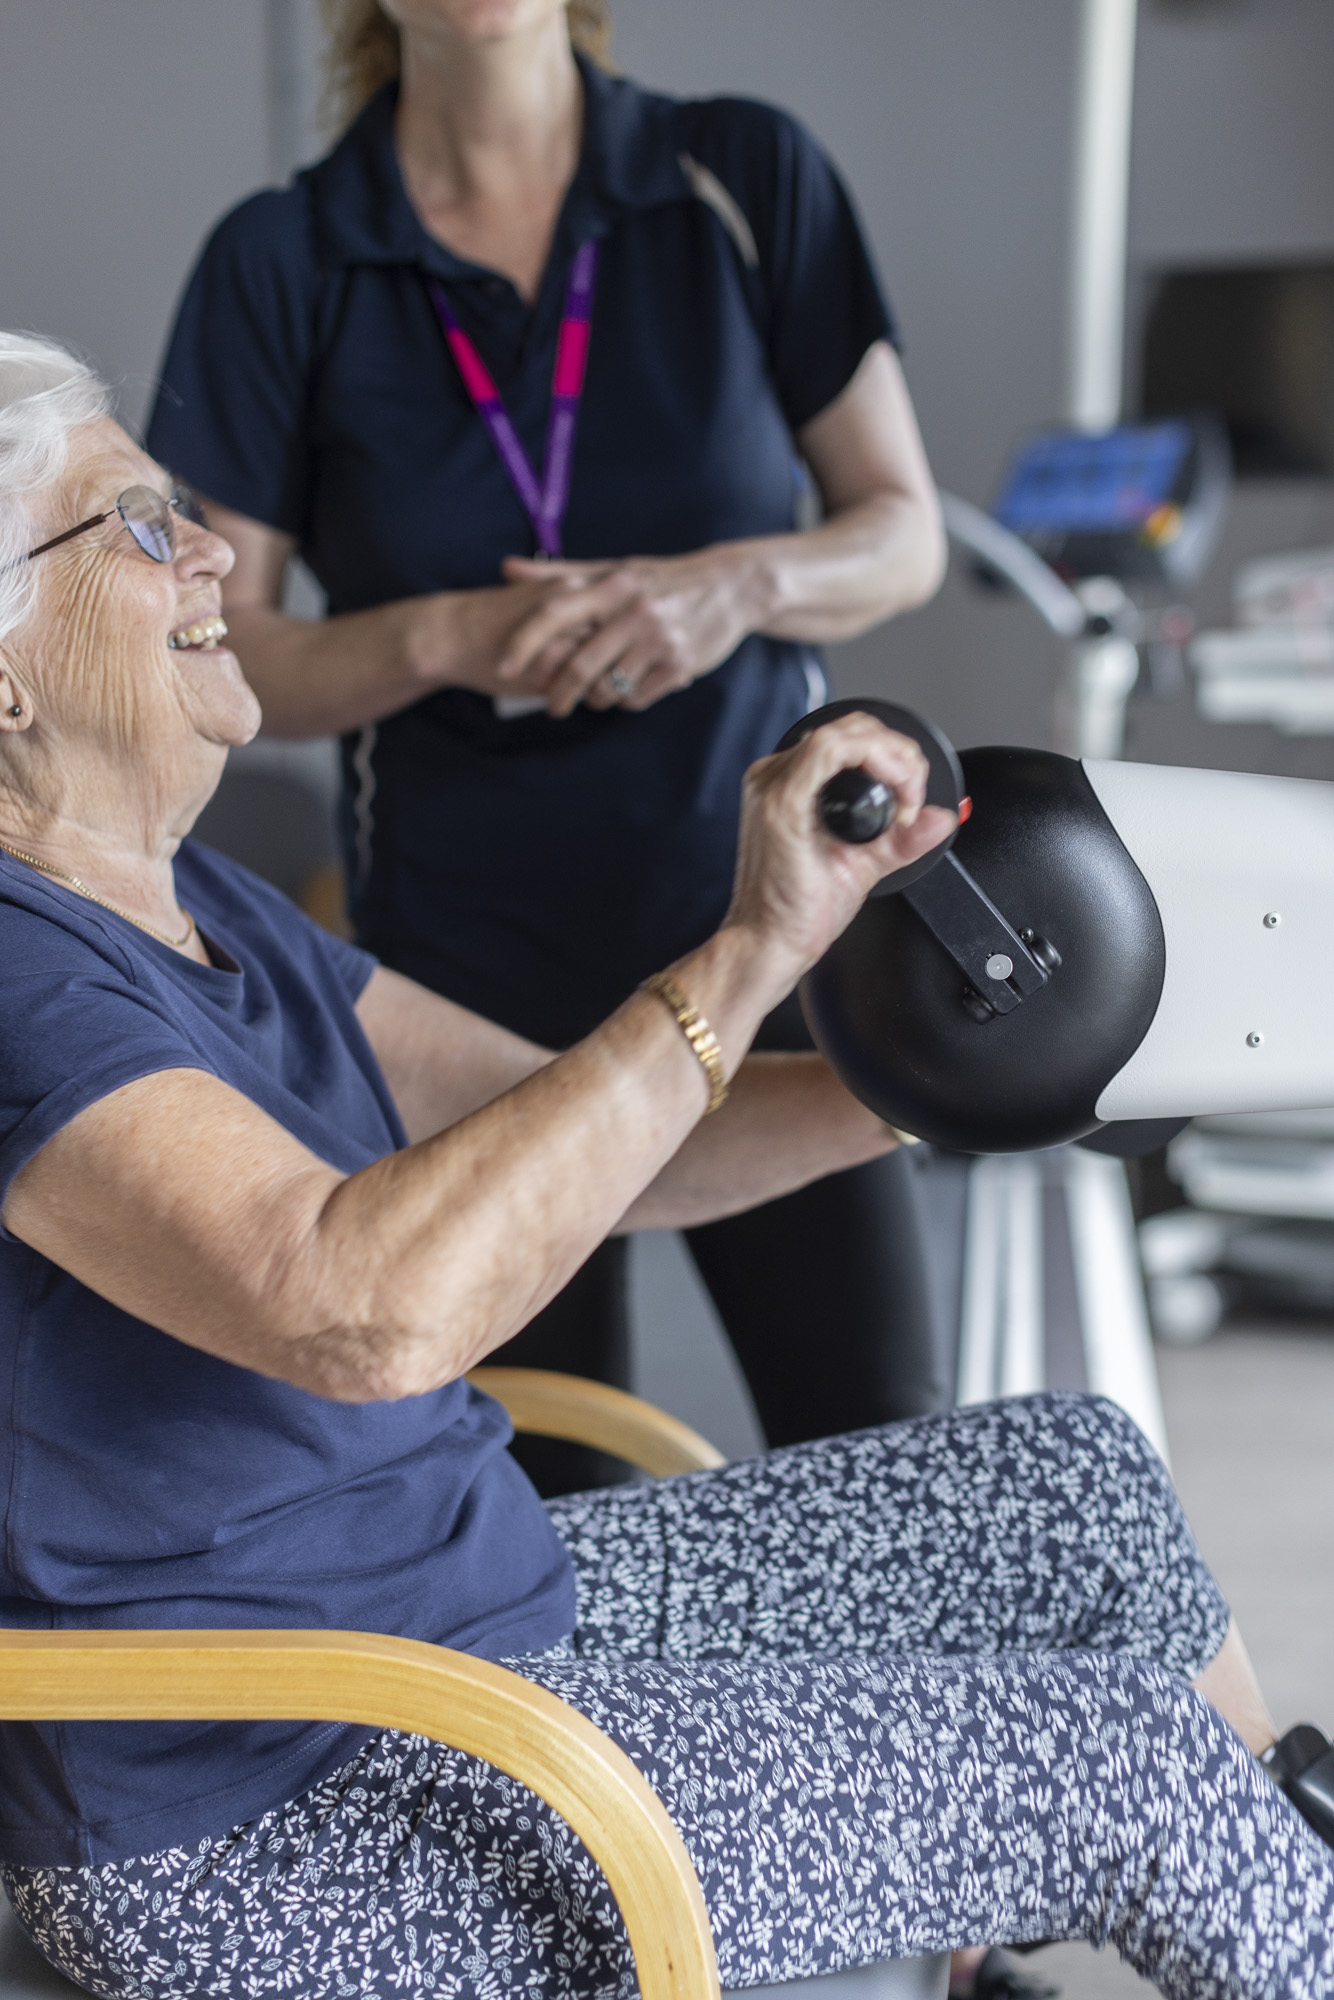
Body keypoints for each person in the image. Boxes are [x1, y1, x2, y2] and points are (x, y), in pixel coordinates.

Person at [0, 335, 1332, 2000]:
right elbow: (358, 1311)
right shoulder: (22, 981)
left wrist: (945, 1071)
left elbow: (605, 1144)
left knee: (1070, 1484)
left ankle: (1256, 1883)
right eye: (134, 528)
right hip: (277, 1808)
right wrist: (746, 950)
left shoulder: (203, 905)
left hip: (472, 1613)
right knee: (1112, 1756)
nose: (210, 553)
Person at [144, 0, 951, 1501]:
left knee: (879, 1446)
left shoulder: (737, 173)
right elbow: (217, 643)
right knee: (545, 1491)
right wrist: (438, 634)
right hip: (467, 966)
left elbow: (899, 532)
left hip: (768, 927)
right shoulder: (283, 257)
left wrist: (734, 583)